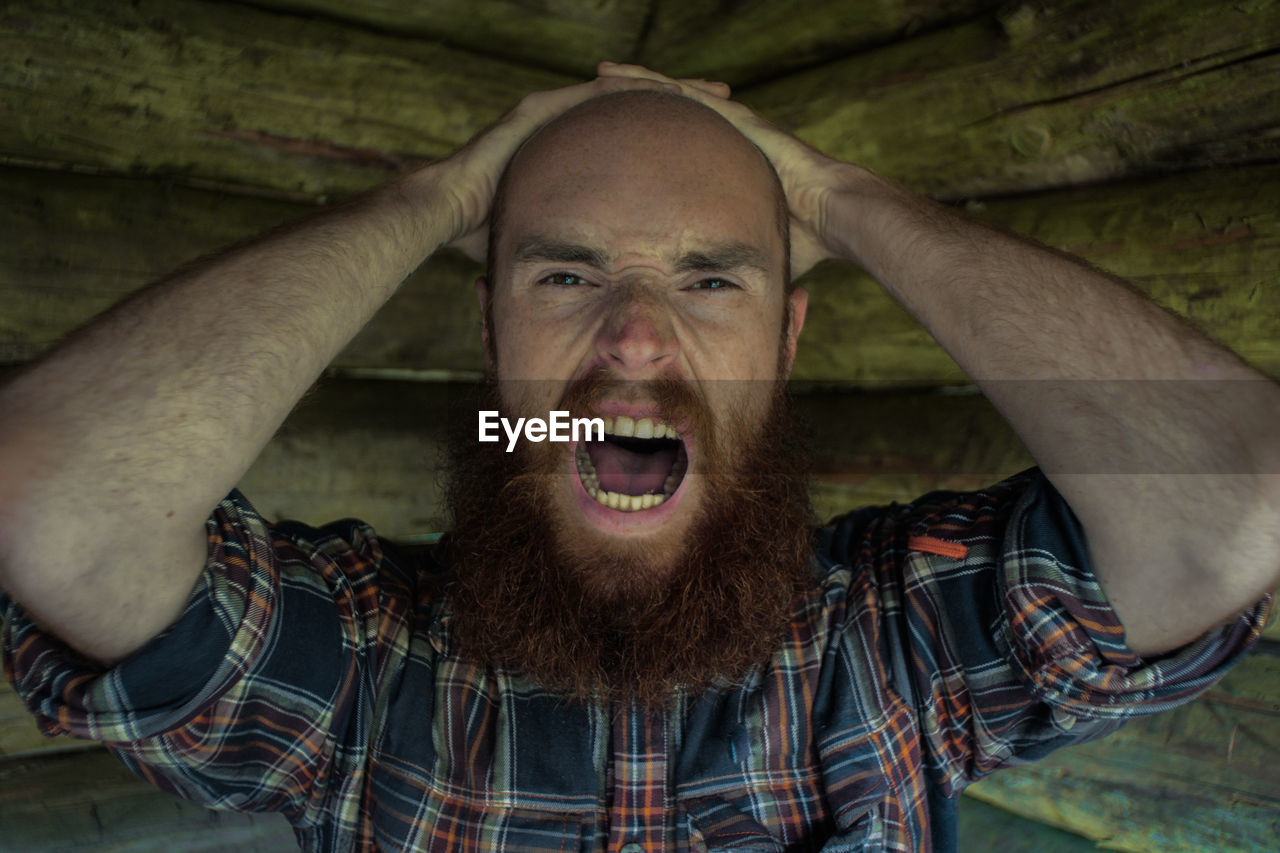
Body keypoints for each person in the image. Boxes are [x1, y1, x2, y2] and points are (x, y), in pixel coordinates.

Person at [0, 62, 1274, 852]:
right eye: (565, 272)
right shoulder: (357, 667)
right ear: (493, 331)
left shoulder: (897, 640)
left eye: (708, 280)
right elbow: (54, 490)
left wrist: (833, 199)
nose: (635, 341)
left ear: (781, 340)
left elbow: (1233, 494)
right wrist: (435, 199)